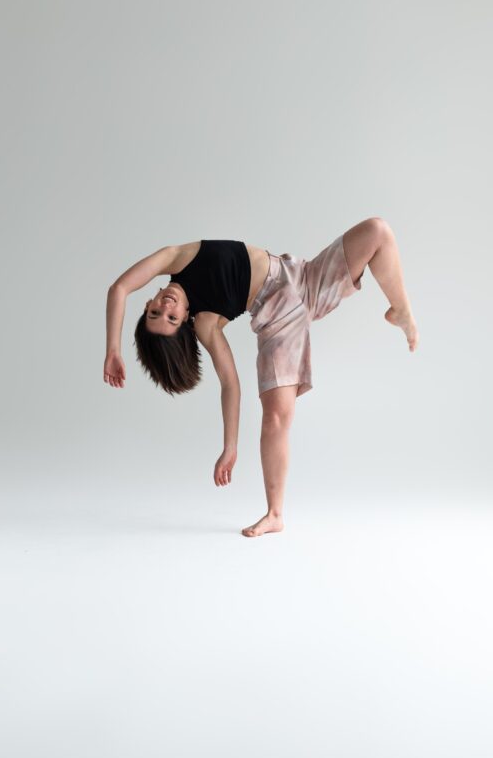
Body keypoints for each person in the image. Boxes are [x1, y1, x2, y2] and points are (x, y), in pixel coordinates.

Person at [103, 217, 418, 538]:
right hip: (279, 316)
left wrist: (113, 349)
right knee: (277, 417)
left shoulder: (175, 257)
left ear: (147, 303)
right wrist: (230, 447)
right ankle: (275, 513)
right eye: (170, 318)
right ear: (184, 320)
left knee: (378, 231)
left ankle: (400, 310)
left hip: (303, 277)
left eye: (155, 312)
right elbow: (230, 384)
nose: (165, 307)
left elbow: (119, 288)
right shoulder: (205, 324)